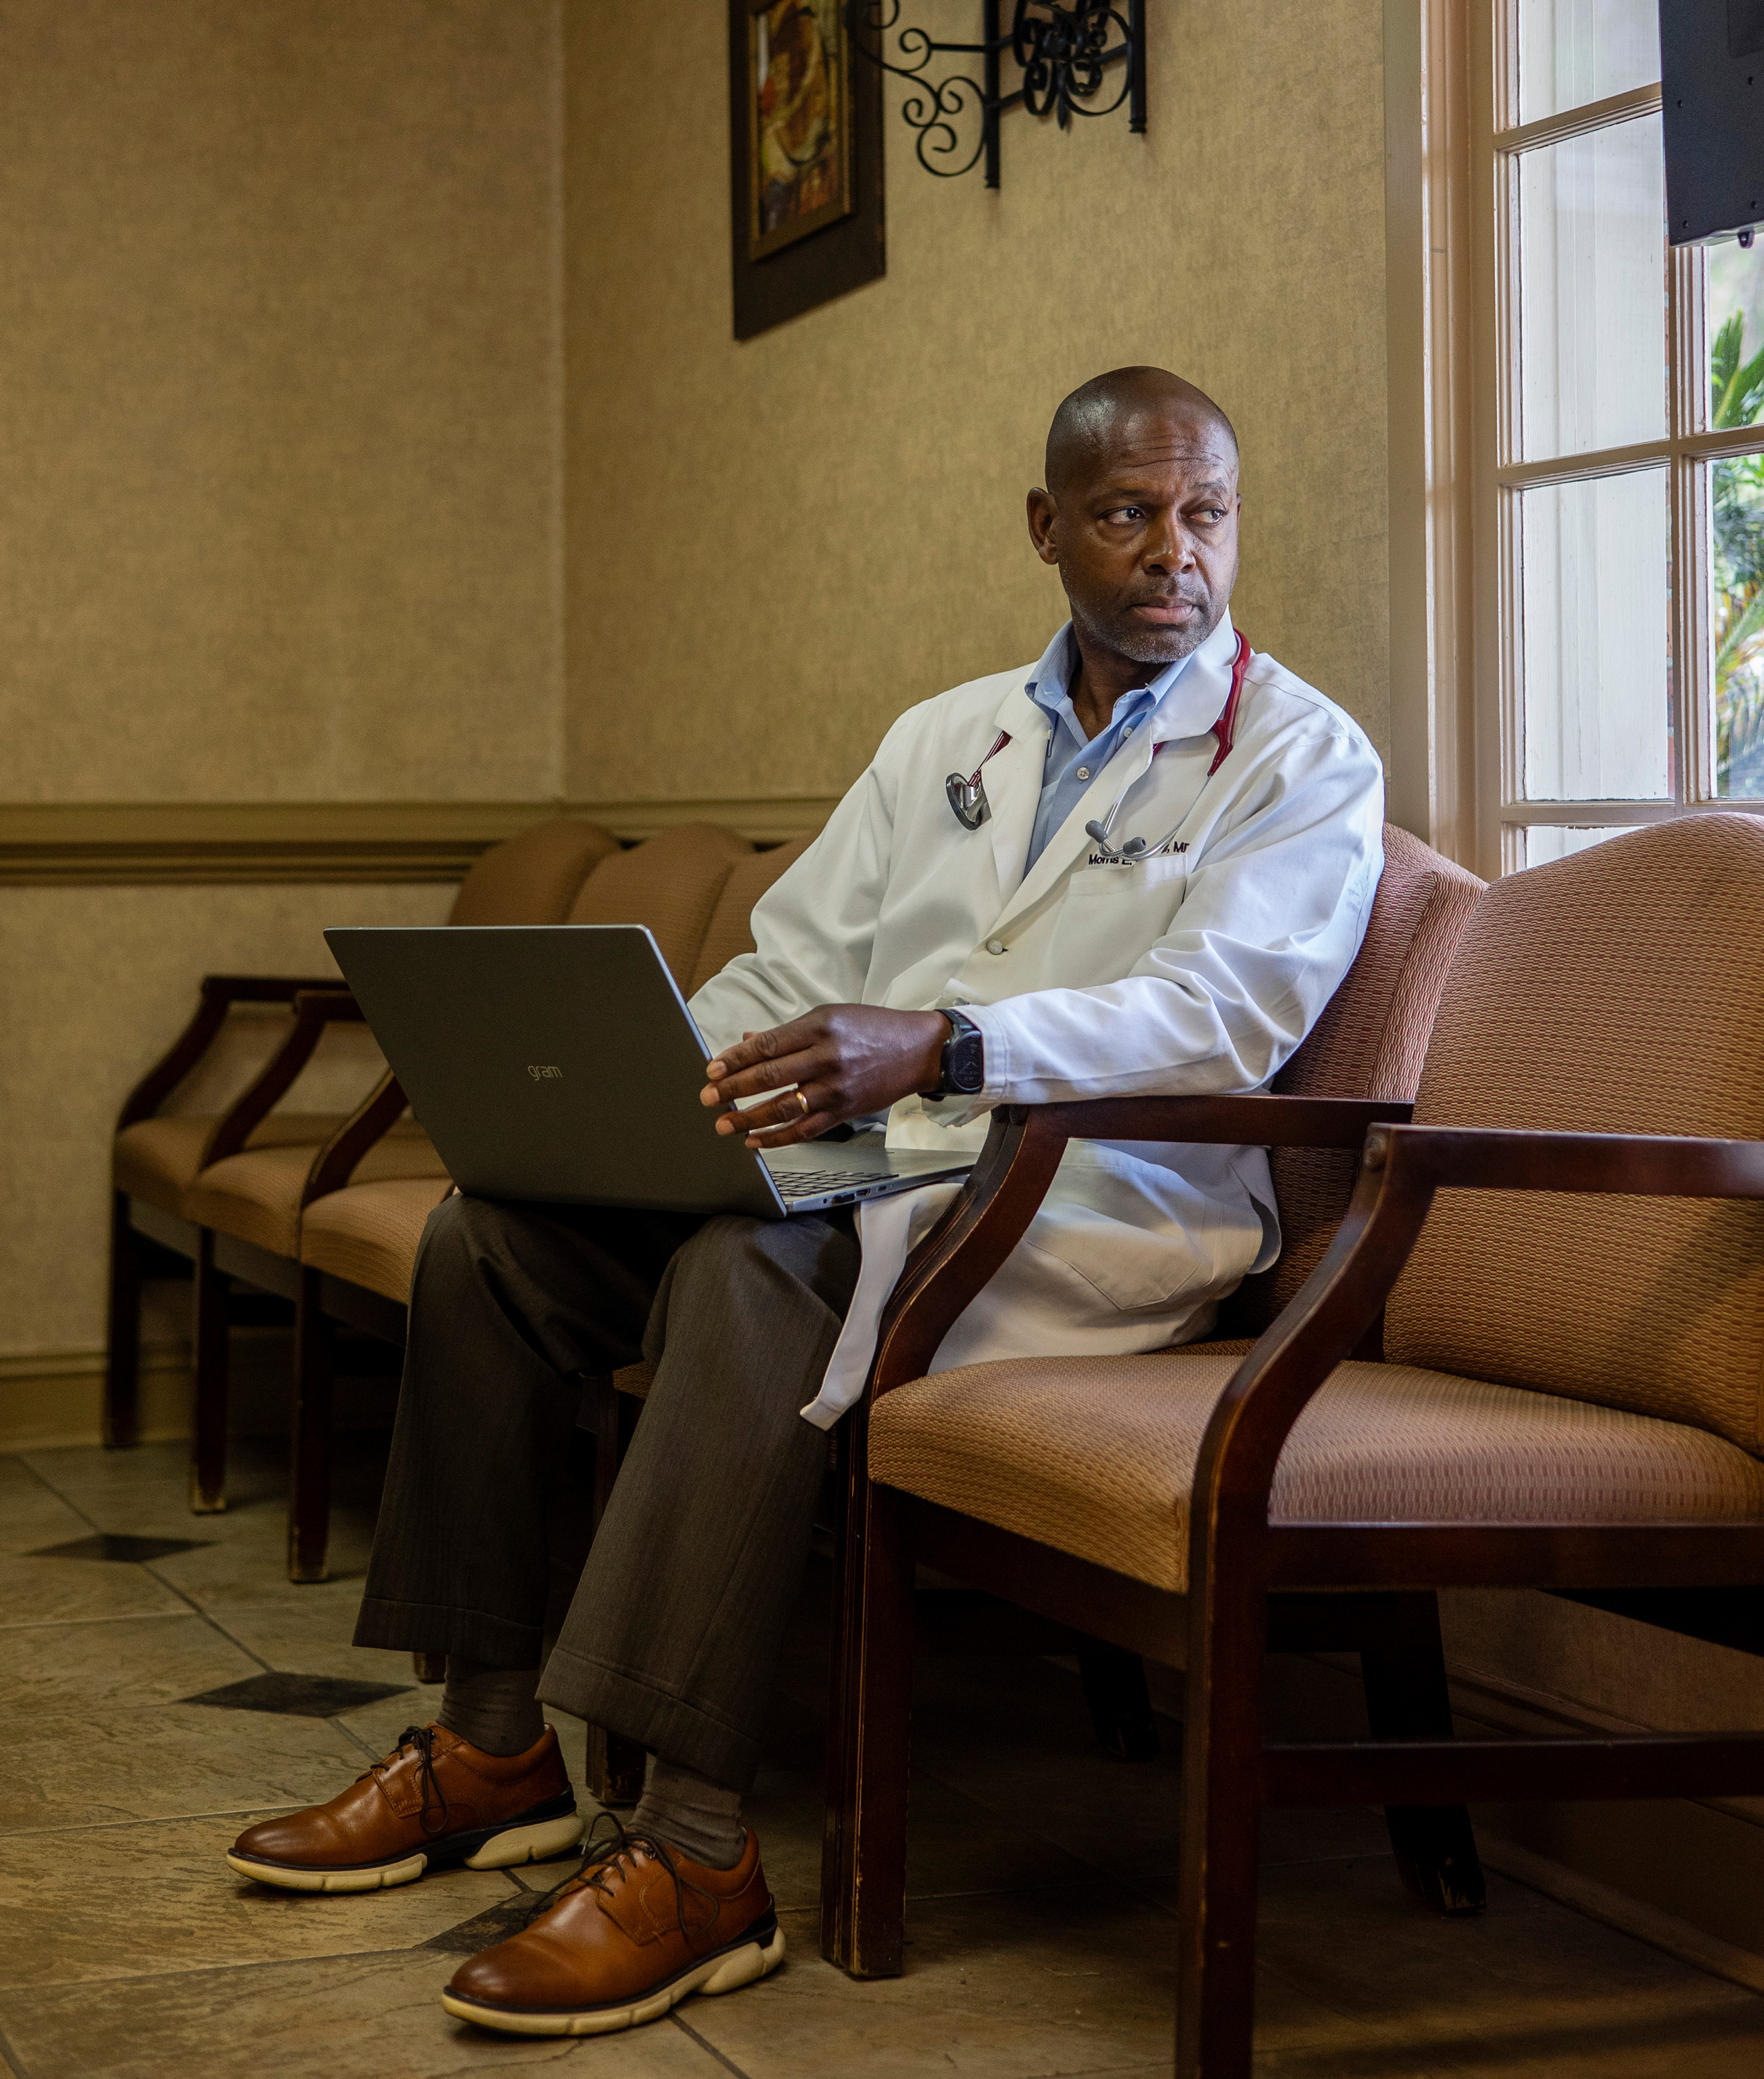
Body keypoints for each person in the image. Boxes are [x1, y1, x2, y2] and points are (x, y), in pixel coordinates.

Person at [222, 367, 1386, 2037]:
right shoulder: (947, 738)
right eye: (1128, 513)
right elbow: (792, 963)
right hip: (861, 1178)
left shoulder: (1298, 754)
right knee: (492, 1242)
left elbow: (1229, 1012)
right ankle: (491, 1744)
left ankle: (695, 1851)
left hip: (1084, 1206)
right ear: (1046, 526)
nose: (1172, 554)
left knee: (747, 1278)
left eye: (1206, 514)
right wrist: (673, 1091)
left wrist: (946, 1042)